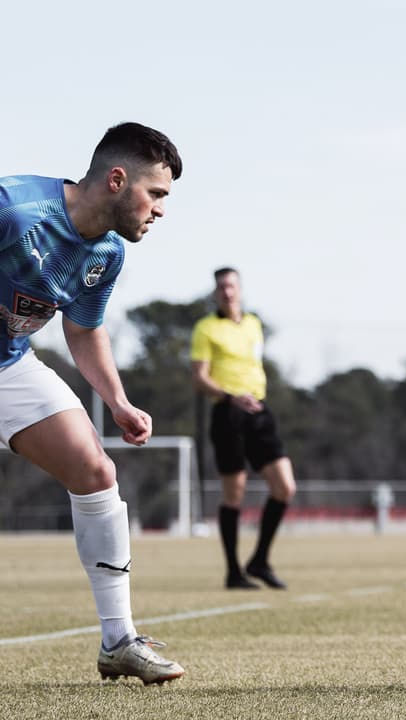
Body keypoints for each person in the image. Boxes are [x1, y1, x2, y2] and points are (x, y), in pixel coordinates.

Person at [0, 123, 185, 684]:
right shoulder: (15, 208)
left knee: (96, 471)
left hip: (8, 365)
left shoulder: (105, 253)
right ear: (117, 179)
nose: (159, 211)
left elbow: (83, 332)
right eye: (156, 194)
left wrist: (119, 402)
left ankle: (118, 641)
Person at [190, 267, 295, 590]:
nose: (227, 291)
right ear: (215, 292)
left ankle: (260, 560)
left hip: (260, 412)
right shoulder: (205, 328)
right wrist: (230, 396)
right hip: (228, 414)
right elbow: (199, 377)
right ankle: (234, 571)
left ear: (240, 289)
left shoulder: (253, 324)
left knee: (285, 487)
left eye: (231, 285)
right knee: (234, 493)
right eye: (221, 287)